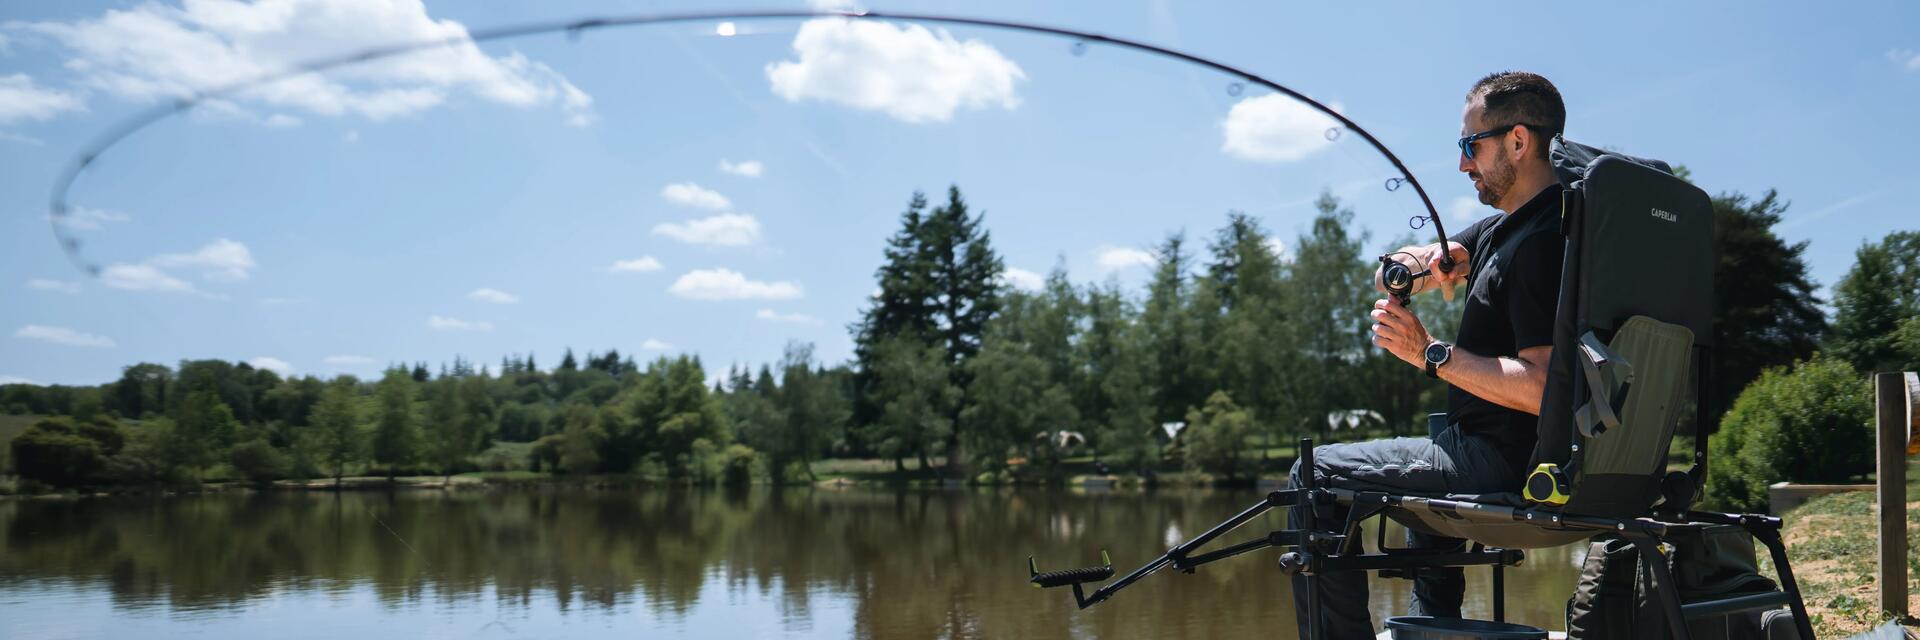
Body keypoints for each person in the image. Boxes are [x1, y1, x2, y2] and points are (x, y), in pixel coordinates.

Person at [1289, 70, 1568, 638]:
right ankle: (1429, 627)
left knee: (1311, 474)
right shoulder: (1526, 226)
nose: (1464, 164)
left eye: (1471, 146)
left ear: (1518, 141)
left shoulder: (1539, 247)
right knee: (1437, 446)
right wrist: (1411, 266)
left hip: (1503, 459)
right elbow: (1433, 257)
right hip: (1508, 450)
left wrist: (1430, 354)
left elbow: (1543, 388)